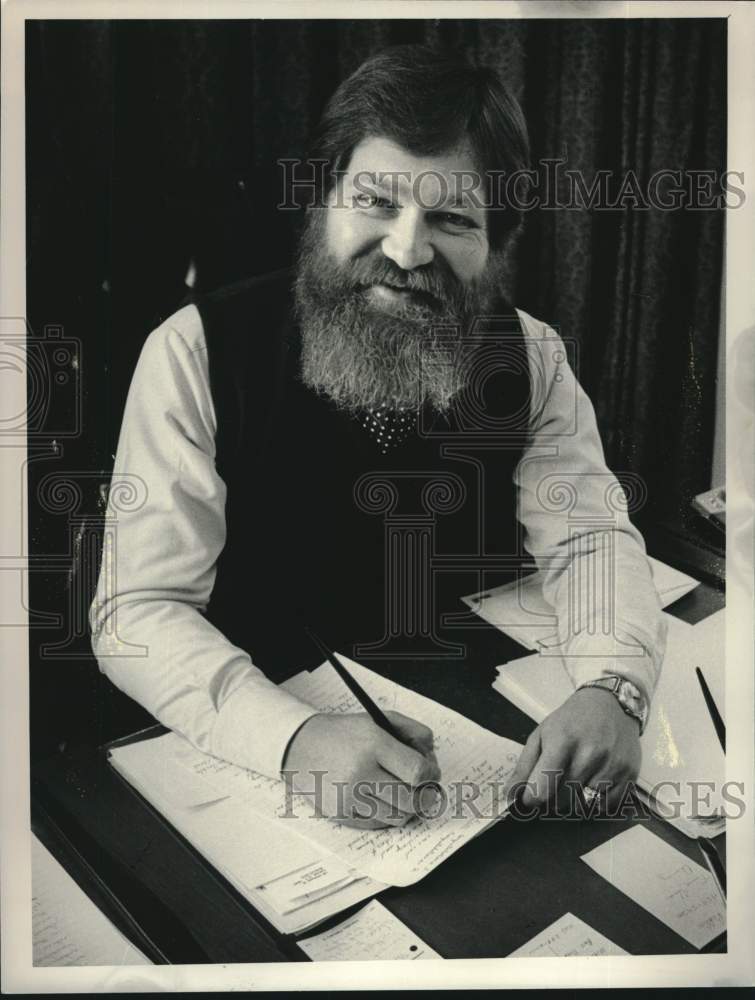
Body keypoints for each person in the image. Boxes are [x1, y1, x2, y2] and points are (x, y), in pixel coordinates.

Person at [90, 44, 666, 830]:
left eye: (452, 218)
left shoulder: (528, 354)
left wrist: (614, 687)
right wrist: (290, 741)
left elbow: (590, 538)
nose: (406, 250)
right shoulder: (193, 351)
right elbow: (139, 610)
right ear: (323, 198)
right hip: (249, 742)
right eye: (375, 201)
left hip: (466, 742)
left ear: (496, 244)